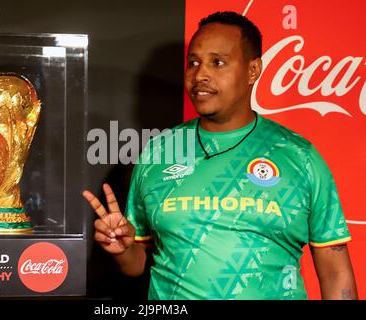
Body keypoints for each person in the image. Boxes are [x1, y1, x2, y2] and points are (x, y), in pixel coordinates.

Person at [82, 11, 358, 300]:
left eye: (218, 62)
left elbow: (336, 273)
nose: (200, 74)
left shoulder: (299, 156)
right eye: (194, 63)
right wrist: (124, 248)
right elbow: (137, 264)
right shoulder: (159, 151)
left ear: (253, 70)